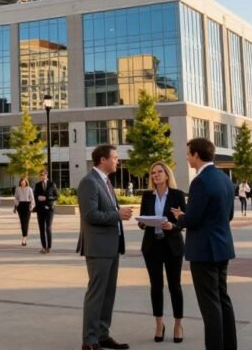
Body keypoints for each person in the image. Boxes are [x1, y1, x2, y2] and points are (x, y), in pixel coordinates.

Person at [171, 138, 237, 350]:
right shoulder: (224, 179)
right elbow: (229, 214)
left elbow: (193, 219)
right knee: (222, 299)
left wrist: (181, 217)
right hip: (222, 246)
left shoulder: (200, 181)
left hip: (204, 250)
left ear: (197, 155)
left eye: (188, 153)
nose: (187, 157)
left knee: (210, 305)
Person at [77, 145, 134, 350]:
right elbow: (90, 215)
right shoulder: (89, 183)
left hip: (111, 246)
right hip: (98, 247)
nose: (118, 161)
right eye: (115, 158)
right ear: (103, 160)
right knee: (97, 294)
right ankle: (89, 340)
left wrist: (118, 212)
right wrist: (117, 215)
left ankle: (102, 335)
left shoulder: (106, 182)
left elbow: (106, 210)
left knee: (108, 294)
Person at [140, 161, 186, 344]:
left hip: (172, 246)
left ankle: (178, 324)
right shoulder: (147, 196)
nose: (156, 175)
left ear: (167, 175)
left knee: (175, 286)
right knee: (155, 286)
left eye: (159, 172)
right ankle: (159, 324)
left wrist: (174, 224)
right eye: (153, 172)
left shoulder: (177, 195)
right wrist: (143, 222)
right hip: (152, 246)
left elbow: (184, 220)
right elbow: (143, 218)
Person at [34, 170, 58, 253]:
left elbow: (56, 196)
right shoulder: (37, 185)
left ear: (46, 175)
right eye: (40, 175)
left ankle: (49, 247)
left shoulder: (52, 184)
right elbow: (35, 195)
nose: (42, 176)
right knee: (41, 228)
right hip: (40, 209)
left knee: (48, 228)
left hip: (49, 209)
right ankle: (43, 247)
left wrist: (46, 198)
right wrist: (37, 198)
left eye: (43, 175)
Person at [13, 177, 33, 246]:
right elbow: (16, 198)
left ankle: (24, 238)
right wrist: (17, 204)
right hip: (20, 206)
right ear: (20, 182)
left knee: (26, 222)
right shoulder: (17, 189)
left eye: (24, 182)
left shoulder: (29, 189)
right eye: (22, 182)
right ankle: (24, 236)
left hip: (27, 206)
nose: (23, 183)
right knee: (22, 222)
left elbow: (32, 199)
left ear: (26, 182)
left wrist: (31, 206)